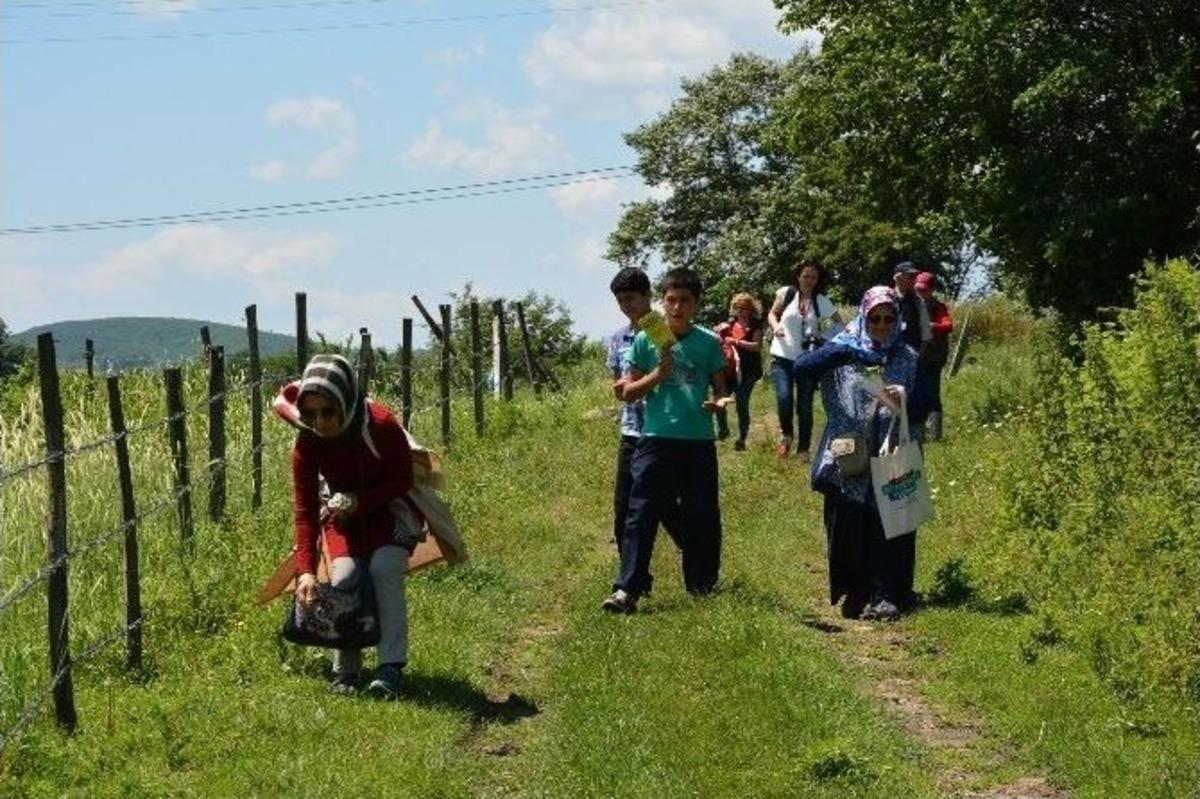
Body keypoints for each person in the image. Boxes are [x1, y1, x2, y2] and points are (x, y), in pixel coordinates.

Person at [277, 354, 417, 697]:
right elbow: (305, 511)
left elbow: (403, 480)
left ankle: (390, 669)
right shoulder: (307, 442)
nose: (320, 422)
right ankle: (346, 671)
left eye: (328, 411)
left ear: (347, 400)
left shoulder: (381, 425)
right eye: (310, 414)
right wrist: (306, 572)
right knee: (343, 578)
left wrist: (359, 501)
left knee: (385, 567)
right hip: (341, 522)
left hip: (391, 514)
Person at [603, 267, 729, 613]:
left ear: (696, 304)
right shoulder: (647, 339)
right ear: (662, 301)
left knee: (701, 514)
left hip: (697, 441)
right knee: (639, 514)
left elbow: (720, 387)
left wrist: (718, 402)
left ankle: (701, 587)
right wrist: (659, 374)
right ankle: (627, 589)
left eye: (684, 301)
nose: (676, 307)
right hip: (655, 439)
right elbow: (627, 392)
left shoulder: (709, 342)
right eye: (670, 300)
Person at [794, 287, 919, 621]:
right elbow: (801, 369)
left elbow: (923, 406)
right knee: (847, 522)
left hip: (892, 447)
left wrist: (902, 396)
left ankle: (888, 594)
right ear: (864, 316)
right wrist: (845, 353)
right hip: (848, 453)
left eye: (888, 318)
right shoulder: (843, 347)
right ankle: (855, 591)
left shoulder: (906, 356)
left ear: (897, 319)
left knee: (892, 522)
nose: (881, 324)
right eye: (874, 317)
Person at [608, 267, 682, 551]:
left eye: (631, 299)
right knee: (623, 507)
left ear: (647, 296)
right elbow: (619, 383)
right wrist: (622, 388)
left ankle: (699, 564)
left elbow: (675, 376)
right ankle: (632, 578)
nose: (627, 306)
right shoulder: (618, 338)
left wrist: (645, 383)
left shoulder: (664, 332)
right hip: (630, 429)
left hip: (661, 430)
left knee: (665, 505)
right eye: (621, 301)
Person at [767, 260, 844, 460]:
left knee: (805, 405)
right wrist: (776, 326)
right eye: (806, 276)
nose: (809, 280)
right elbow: (772, 314)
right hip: (782, 355)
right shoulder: (786, 294)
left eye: (813, 277)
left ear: (818, 280)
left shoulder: (822, 301)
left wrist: (824, 338)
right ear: (798, 277)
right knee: (784, 398)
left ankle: (803, 448)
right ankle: (786, 436)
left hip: (807, 359)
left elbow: (840, 324)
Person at [714, 292, 764, 451]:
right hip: (728, 370)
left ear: (751, 309)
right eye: (738, 308)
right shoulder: (728, 324)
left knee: (742, 405)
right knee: (719, 401)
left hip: (748, 371)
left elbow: (757, 346)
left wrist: (735, 341)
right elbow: (718, 340)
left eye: (745, 308)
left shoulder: (756, 325)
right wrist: (718, 332)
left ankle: (742, 439)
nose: (742, 311)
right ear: (734, 309)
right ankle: (723, 430)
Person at [914, 271, 953, 441]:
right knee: (917, 393)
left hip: (934, 357)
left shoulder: (938, 307)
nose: (920, 293)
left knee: (932, 394)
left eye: (924, 289)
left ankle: (936, 435)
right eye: (918, 289)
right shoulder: (912, 305)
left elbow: (948, 325)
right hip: (916, 356)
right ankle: (919, 433)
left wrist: (929, 325)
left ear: (931, 290)